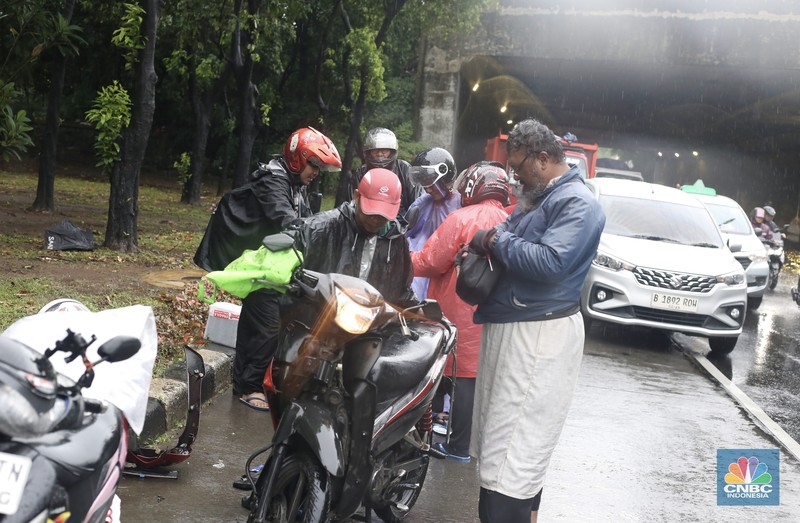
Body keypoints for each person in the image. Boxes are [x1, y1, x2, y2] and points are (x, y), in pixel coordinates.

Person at [467, 118, 605, 523]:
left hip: (539, 336)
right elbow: (510, 230)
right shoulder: (541, 196)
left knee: (515, 450)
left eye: (519, 167)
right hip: (519, 326)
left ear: (542, 160)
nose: (515, 176)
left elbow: (551, 262)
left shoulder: (578, 203)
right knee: (504, 446)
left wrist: (494, 240)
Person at [194, 127, 342, 411]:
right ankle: (249, 388)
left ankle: (254, 383)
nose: (316, 173)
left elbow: (305, 221)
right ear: (299, 159)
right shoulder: (272, 182)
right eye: (314, 165)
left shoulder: (292, 184)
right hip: (261, 268)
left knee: (269, 324)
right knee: (265, 328)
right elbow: (286, 219)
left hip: (271, 267)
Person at [411, 161, 510, 462]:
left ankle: (429, 440)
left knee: (441, 373)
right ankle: (464, 445)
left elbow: (430, 261)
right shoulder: (512, 220)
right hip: (493, 313)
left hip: (456, 309)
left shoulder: (461, 218)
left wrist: (401, 260)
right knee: (472, 380)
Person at [296, 167, 417, 306]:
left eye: (383, 215)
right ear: (357, 197)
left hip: (373, 322)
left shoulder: (395, 239)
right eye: (371, 212)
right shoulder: (321, 227)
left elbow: (402, 292)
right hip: (320, 318)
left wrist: (424, 311)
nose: (376, 220)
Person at [404, 147, 461, 300]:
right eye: (424, 183)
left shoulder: (459, 204)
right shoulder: (424, 203)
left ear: (445, 177)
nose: (428, 189)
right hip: (420, 271)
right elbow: (406, 229)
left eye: (431, 183)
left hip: (446, 271)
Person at [343, 127, 421, 217]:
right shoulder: (360, 173)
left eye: (384, 150)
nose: (380, 154)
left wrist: (406, 225)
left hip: (401, 224)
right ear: (368, 152)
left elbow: (418, 201)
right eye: (375, 150)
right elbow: (352, 206)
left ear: (391, 151)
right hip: (368, 222)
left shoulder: (403, 168)